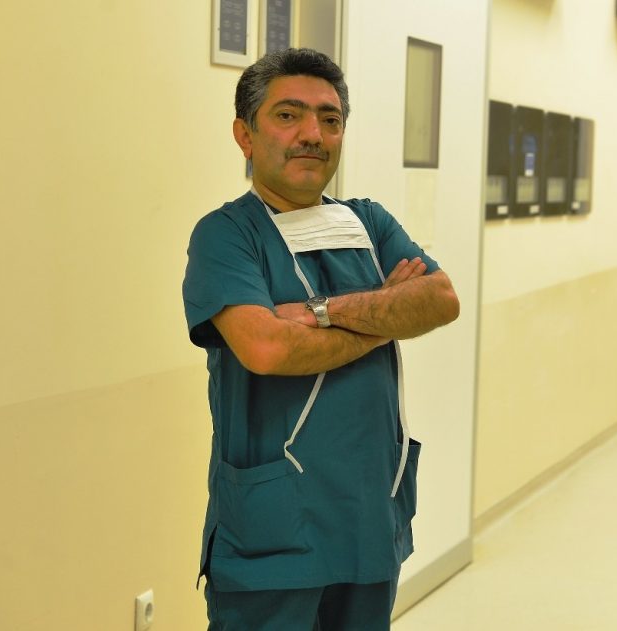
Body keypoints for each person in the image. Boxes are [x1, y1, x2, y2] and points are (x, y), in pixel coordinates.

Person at [182, 47, 460, 630]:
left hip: (369, 521)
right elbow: (268, 349)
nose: (313, 133)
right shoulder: (227, 236)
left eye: (330, 119)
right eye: (288, 115)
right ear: (245, 135)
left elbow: (440, 300)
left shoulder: (368, 222)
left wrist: (321, 312)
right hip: (274, 535)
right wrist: (384, 316)